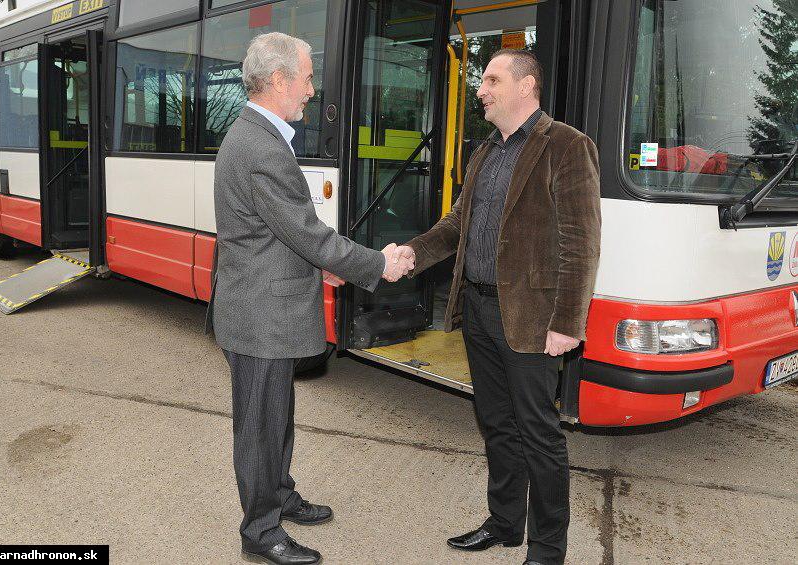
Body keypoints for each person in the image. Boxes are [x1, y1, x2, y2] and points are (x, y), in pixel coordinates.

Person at [206, 32, 413, 565]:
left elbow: (279, 234)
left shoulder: (260, 136)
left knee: (278, 414)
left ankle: (279, 495)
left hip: (262, 307)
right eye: (305, 78)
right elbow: (306, 231)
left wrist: (327, 268)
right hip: (260, 315)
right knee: (259, 424)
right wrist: (376, 264)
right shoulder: (259, 147)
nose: (311, 88)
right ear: (277, 81)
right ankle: (260, 531)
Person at [394, 49, 601, 565]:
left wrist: (567, 323)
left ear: (528, 85)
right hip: (480, 311)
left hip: (534, 320)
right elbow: (456, 226)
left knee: (539, 434)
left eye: (492, 79)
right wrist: (411, 254)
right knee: (495, 422)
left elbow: (582, 242)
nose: (480, 89)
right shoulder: (484, 151)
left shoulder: (567, 146)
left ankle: (548, 549)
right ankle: (506, 523)